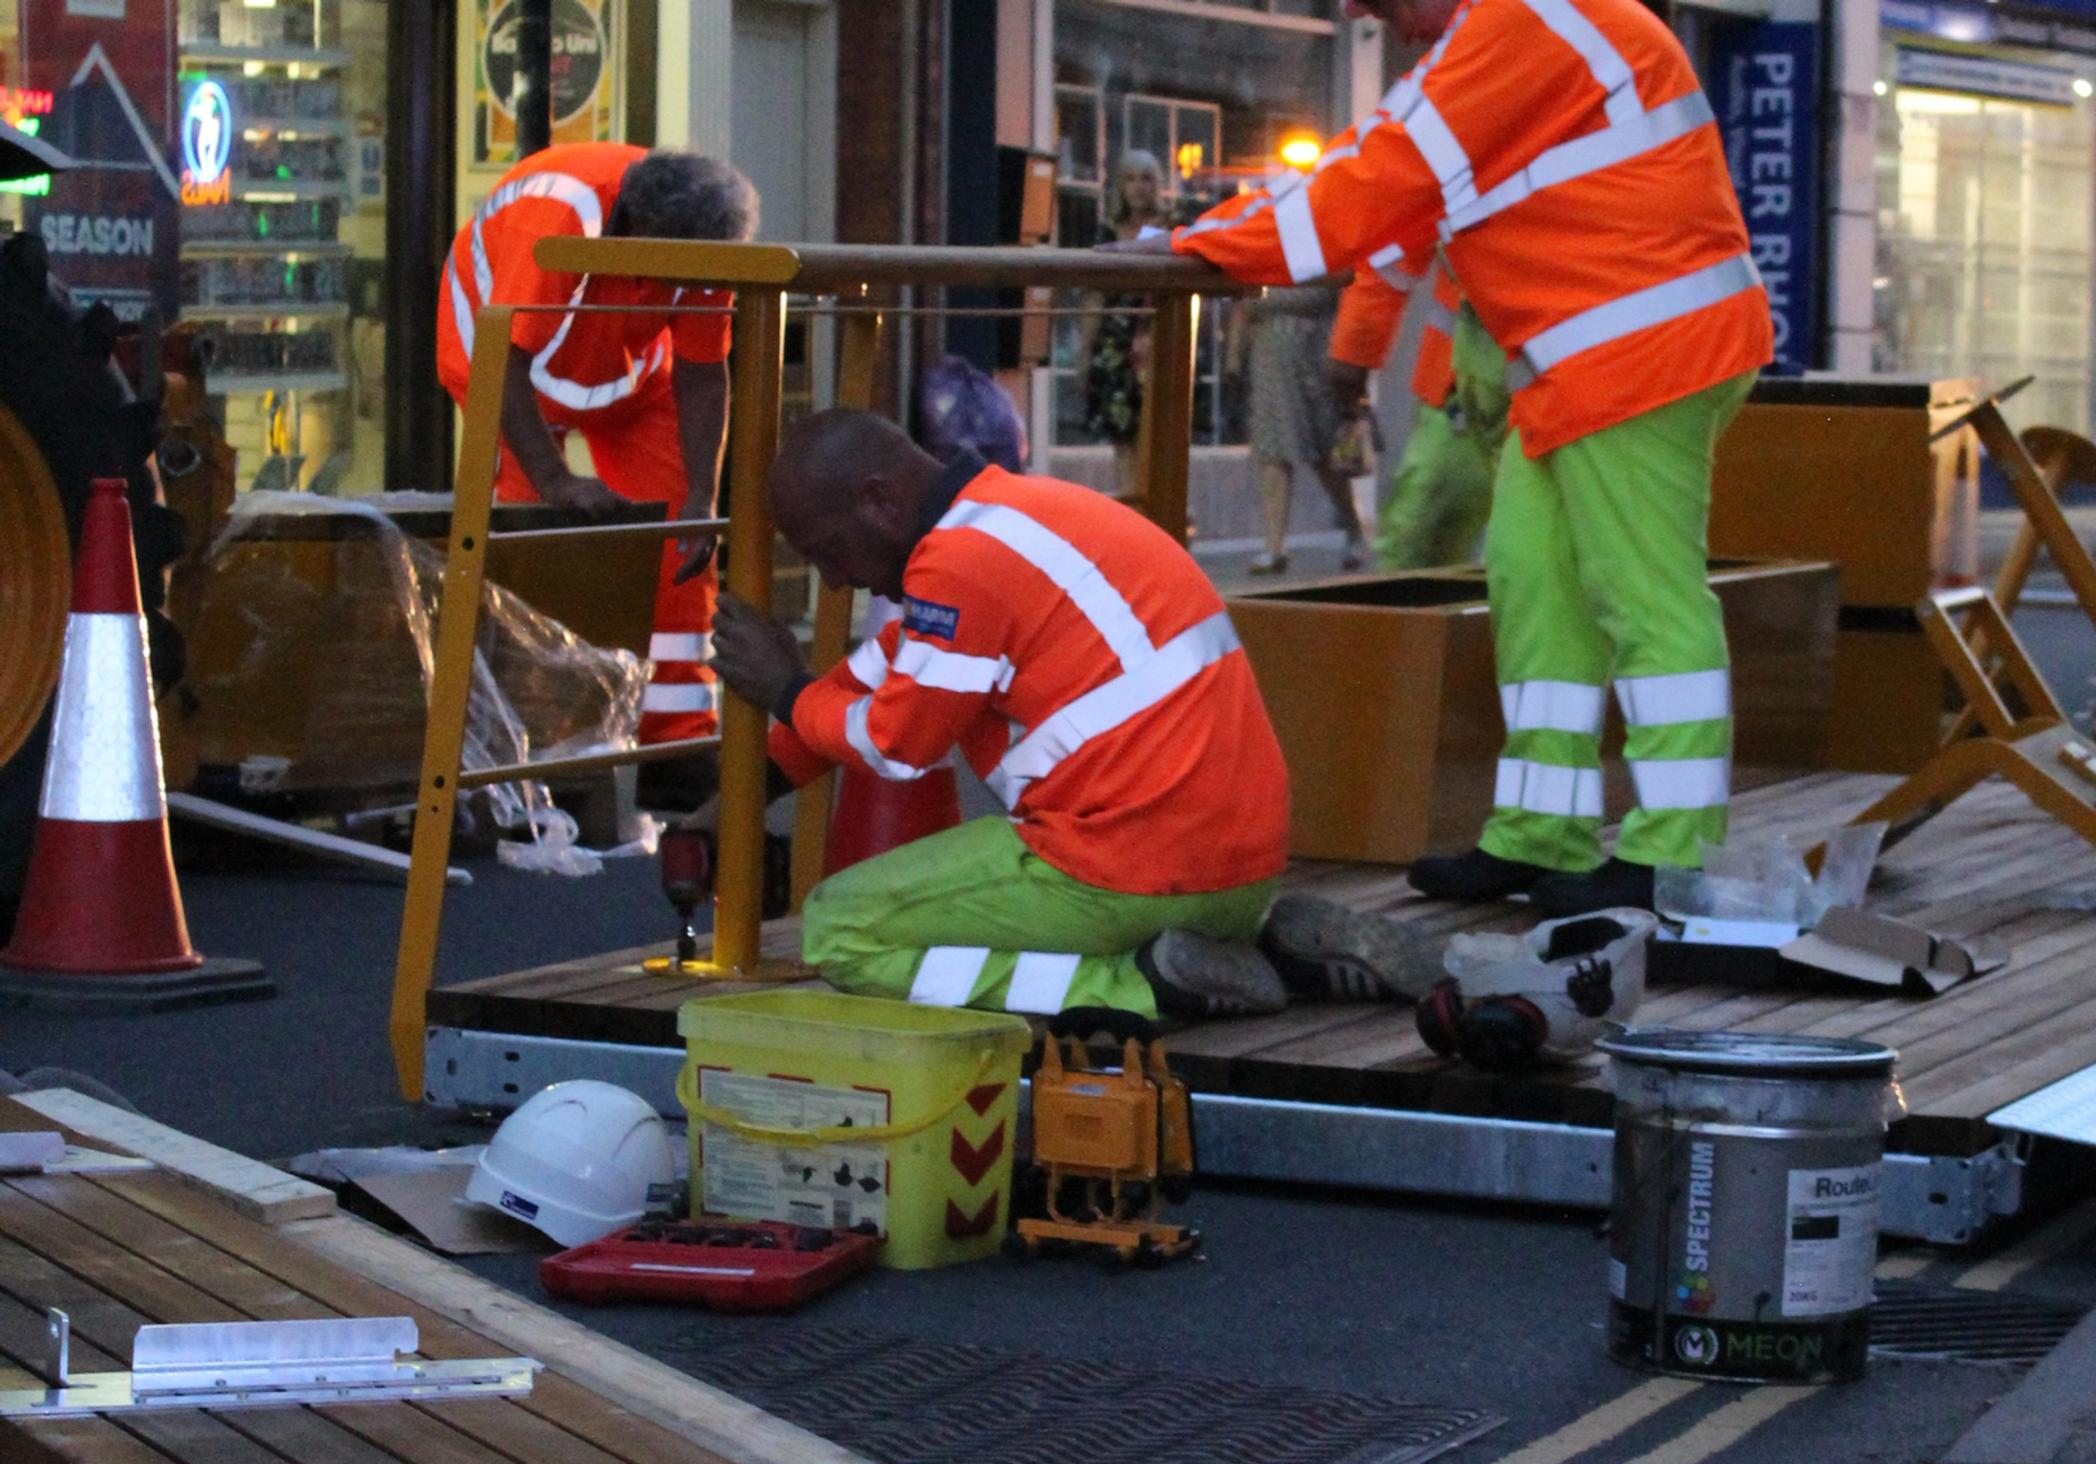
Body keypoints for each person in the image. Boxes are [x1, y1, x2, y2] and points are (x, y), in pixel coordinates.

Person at [1114, 0, 1772, 915]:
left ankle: (1678, 855)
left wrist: (1194, 244)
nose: (1360, 13)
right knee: (1534, 578)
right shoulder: (1512, 30)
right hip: (1597, 361)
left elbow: (1370, 188)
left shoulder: (1522, 23)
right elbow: (1379, 184)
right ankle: (1543, 834)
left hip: (1642, 357)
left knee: (1642, 593)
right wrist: (1211, 238)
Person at [708, 409, 1443, 1019]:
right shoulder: (1017, 520)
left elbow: (895, 743)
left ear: (880, 500)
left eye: (829, 550)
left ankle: (1138, 984)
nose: (834, 577)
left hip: (1127, 871)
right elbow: (866, 683)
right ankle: (1252, 946)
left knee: (841, 926)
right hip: (1238, 869)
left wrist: (784, 688)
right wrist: (730, 803)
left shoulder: (956, 567)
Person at [437, 143, 758, 754]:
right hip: (498, 370)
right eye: (680, 277)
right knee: (537, 554)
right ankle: (539, 742)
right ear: (638, 233)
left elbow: (701, 370)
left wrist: (701, 495)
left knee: (683, 548)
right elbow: (504, 361)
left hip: (629, 382)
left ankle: (677, 742)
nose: (692, 288)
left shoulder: (704, 241)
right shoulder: (558, 215)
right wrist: (556, 481)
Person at [1330, 262, 1503, 569]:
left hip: (1472, 394)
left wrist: (1354, 351)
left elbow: (1391, 253)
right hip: (1478, 394)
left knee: (1419, 540)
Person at [1237, 283, 1369, 574]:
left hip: (1315, 356)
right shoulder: (1259, 252)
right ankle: (1274, 545)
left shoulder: (1319, 252)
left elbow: (1344, 294)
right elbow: (1243, 307)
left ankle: (1353, 528)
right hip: (1268, 360)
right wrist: (1234, 358)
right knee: (1272, 449)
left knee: (1326, 455)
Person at [1081, 150, 1168, 498]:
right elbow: (1095, 293)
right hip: (1114, 339)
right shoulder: (1107, 230)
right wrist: (1085, 352)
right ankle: (1128, 498)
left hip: (1159, 333)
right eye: (1130, 178)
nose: (1138, 187)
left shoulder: (1171, 224)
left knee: (1155, 428)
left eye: (1146, 178)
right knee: (1120, 429)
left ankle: (1155, 502)